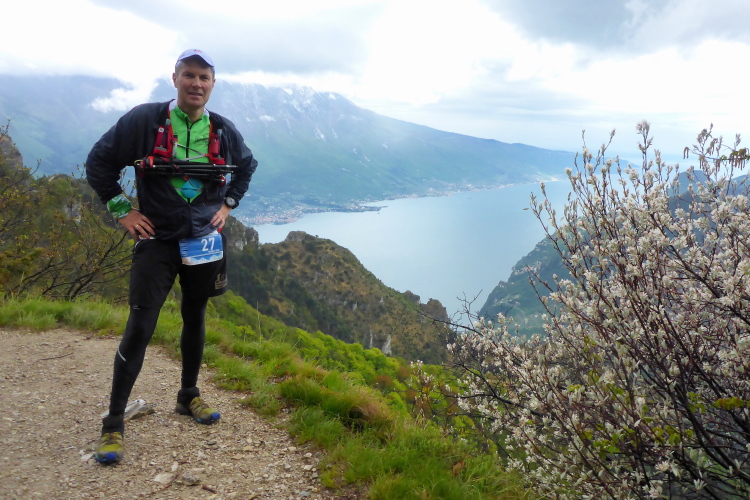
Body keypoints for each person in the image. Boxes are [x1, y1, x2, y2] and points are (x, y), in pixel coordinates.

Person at [86, 49, 258, 464]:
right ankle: (113, 422)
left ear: (213, 84)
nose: (196, 84)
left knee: (195, 317)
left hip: (203, 240)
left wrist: (229, 204)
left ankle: (188, 395)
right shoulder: (144, 121)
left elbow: (247, 166)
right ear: (175, 78)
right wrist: (123, 211)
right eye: (189, 75)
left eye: (204, 77)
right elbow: (99, 162)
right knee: (140, 325)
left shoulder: (222, 129)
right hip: (158, 239)